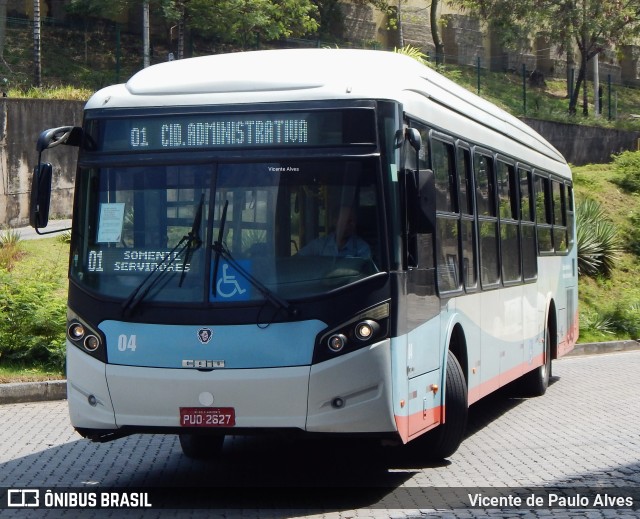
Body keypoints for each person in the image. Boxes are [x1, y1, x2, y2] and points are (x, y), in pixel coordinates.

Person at [298, 205, 371, 258]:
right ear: (335, 221)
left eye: (354, 221)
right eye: (348, 221)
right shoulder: (320, 245)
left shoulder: (362, 249)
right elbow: (297, 260)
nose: (352, 225)